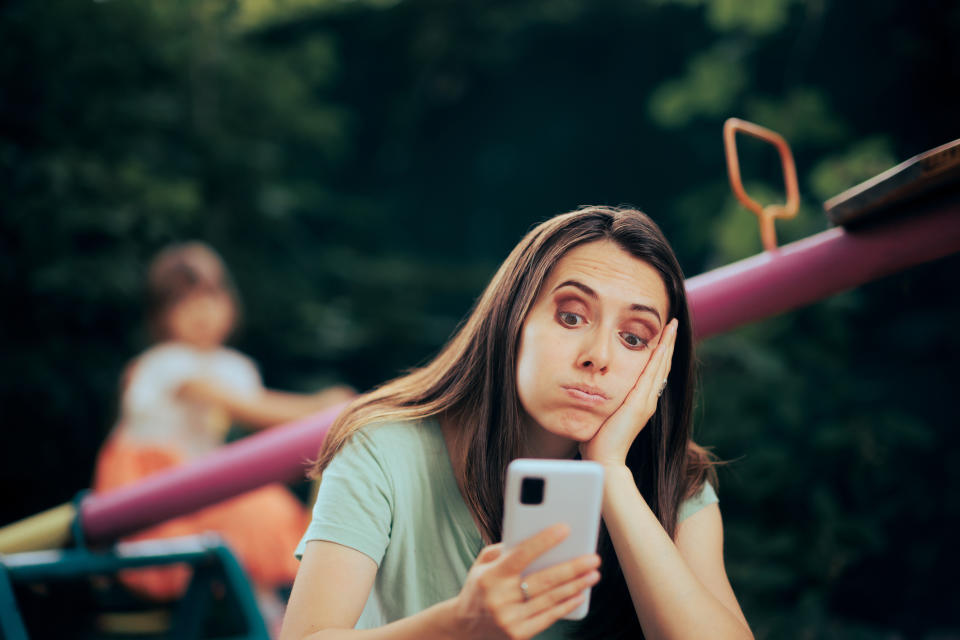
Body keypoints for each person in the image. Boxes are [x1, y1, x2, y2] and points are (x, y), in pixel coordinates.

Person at [281, 206, 752, 640]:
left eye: (633, 338)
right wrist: (457, 624)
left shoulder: (678, 482)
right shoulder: (383, 448)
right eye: (571, 317)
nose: (598, 357)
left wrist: (610, 472)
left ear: (662, 364)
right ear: (512, 320)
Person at [93, 241, 354, 609]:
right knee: (252, 511)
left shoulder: (234, 366)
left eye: (211, 297)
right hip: (152, 493)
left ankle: (267, 606)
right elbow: (251, 408)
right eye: (183, 301)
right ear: (160, 315)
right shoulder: (164, 364)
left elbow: (271, 439)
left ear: (230, 303)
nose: (202, 311)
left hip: (198, 487)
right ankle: (262, 609)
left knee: (263, 506)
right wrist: (321, 406)